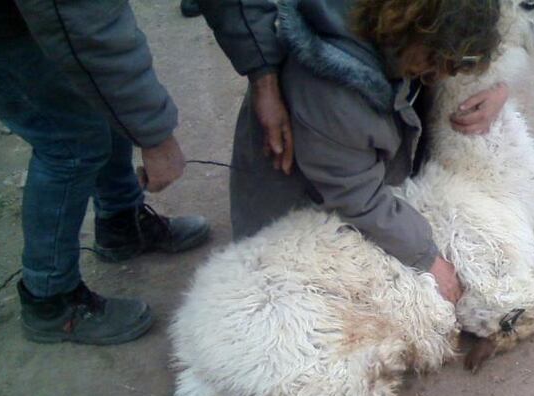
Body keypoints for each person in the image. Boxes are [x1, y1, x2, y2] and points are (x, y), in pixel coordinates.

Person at [199, 0, 509, 305]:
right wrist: (428, 257)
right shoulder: (333, 93)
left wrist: (498, 88)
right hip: (305, 202)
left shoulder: (399, 38)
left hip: (345, 164)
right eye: (435, 62)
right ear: (412, 33)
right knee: (307, 290)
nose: (441, 75)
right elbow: (355, 197)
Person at [0, 1, 210, 345]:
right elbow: (93, 34)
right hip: (1, 31)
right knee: (70, 142)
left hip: (24, 14)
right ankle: (50, 299)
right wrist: (156, 138)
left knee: (99, 99)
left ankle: (122, 226)